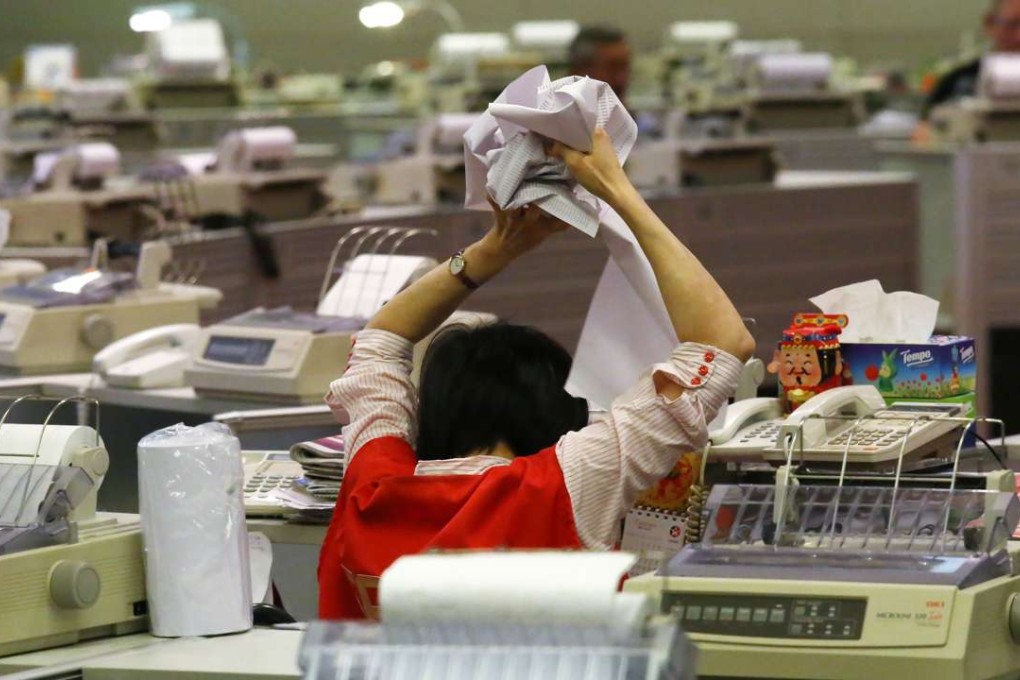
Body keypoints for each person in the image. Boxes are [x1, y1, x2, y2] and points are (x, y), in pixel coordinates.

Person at [317, 128, 755, 620]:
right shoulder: (567, 484)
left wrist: (494, 250)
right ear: (555, 415)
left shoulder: (369, 485)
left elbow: (380, 342)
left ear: (432, 409)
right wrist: (618, 191)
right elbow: (724, 342)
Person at [924, 0, 1020, 116]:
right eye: (1012, 24)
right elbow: (925, 129)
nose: (1018, 37)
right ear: (989, 23)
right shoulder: (956, 82)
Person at [568, 25, 632, 102]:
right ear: (581, 70)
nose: (621, 79)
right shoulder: (557, 112)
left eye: (625, 68)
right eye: (612, 68)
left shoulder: (632, 113)